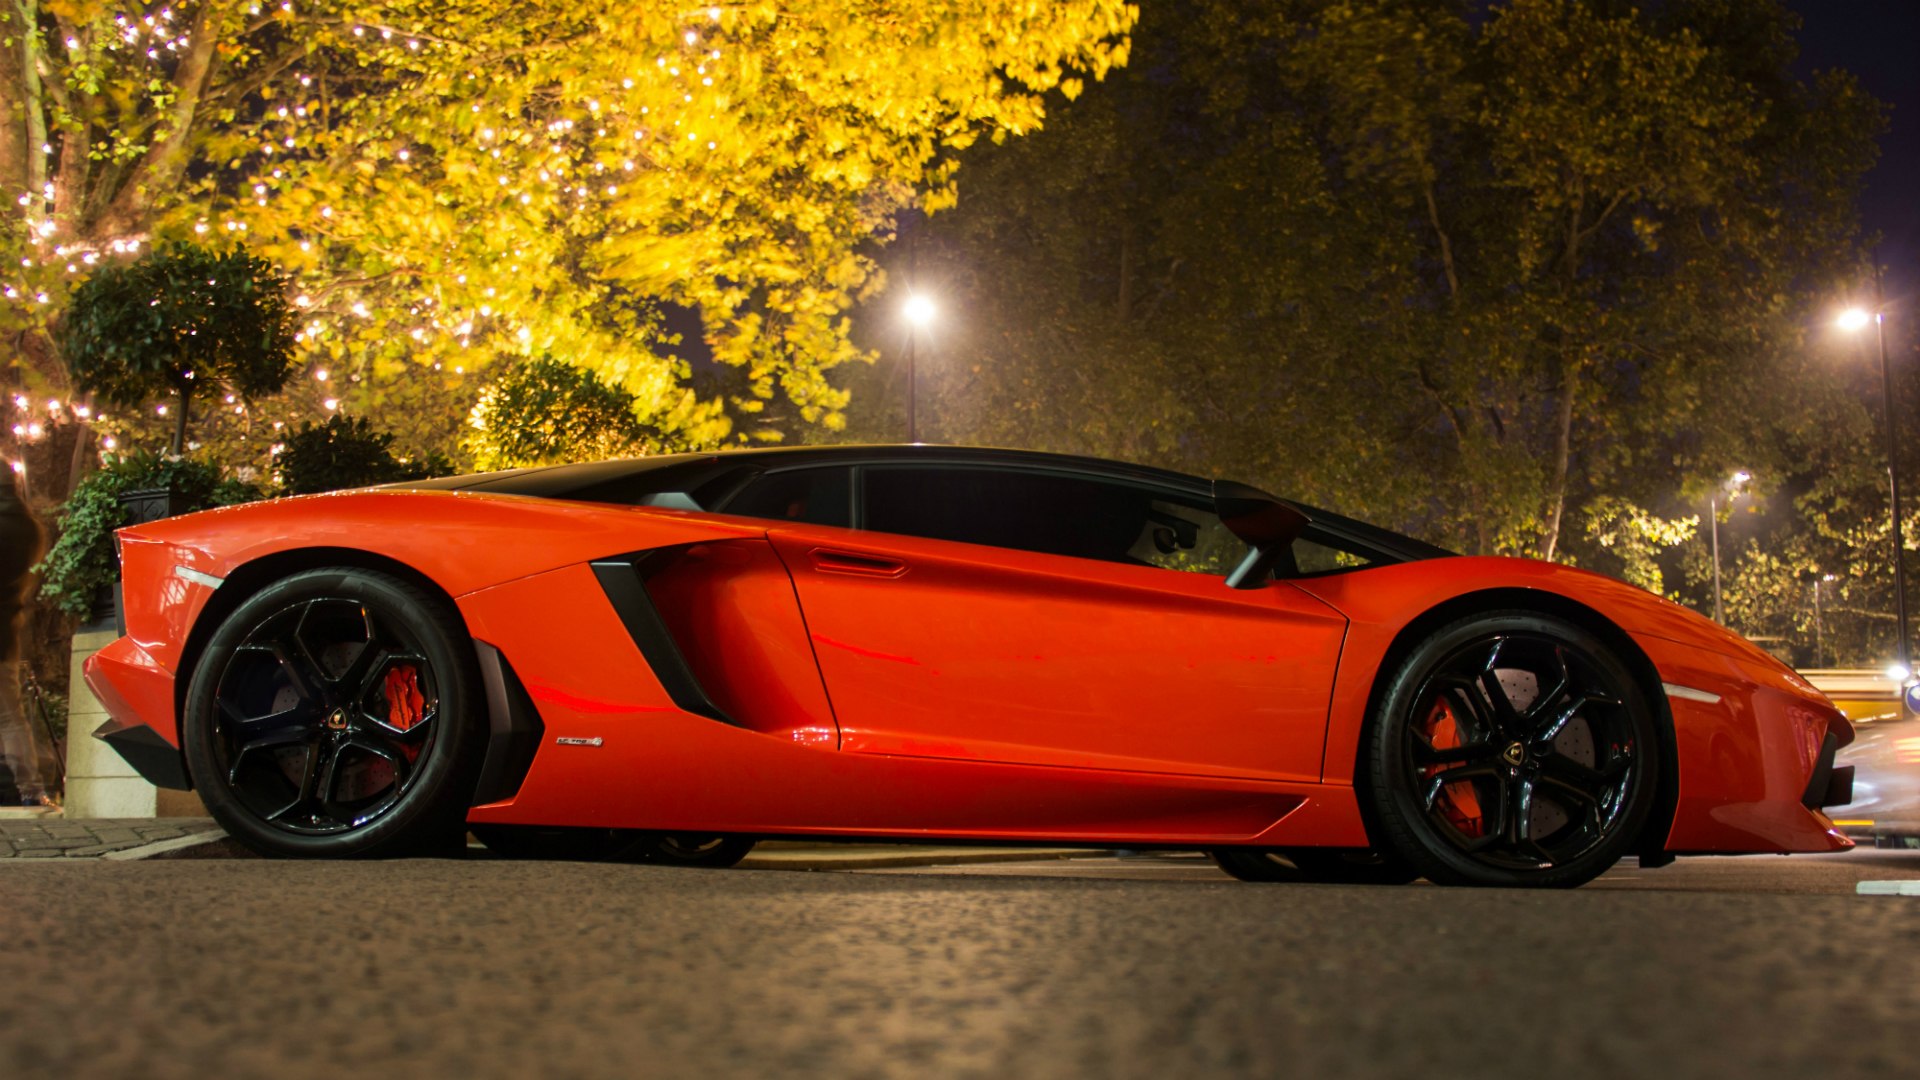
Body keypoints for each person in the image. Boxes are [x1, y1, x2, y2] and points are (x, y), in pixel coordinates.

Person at [0, 463, 55, 808]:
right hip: (5, 629)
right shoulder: (30, 528)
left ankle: (32, 787)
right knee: (10, 716)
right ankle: (31, 790)